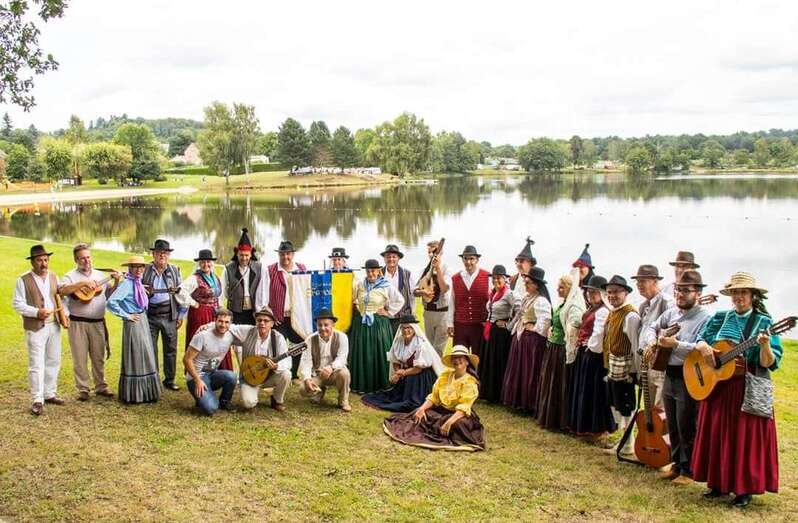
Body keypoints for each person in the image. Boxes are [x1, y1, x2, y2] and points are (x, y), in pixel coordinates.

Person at [690, 272, 782, 508]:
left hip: (746, 387)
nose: (739, 297)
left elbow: (769, 363)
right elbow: (700, 338)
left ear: (752, 295)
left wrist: (763, 346)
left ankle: (744, 488)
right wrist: (704, 349)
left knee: (743, 437)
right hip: (718, 386)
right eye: (735, 292)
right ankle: (718, 483)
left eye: (743, 292)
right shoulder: (721, 317)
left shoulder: (763, 322)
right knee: (717, 434)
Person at [642, 270, 711, 486]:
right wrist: (653, 341)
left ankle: (689, 470)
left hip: (690, 376)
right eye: (678, 289)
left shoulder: (705, 318)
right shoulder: (671, 313)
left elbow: (701, 348)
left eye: (685, 290)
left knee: (687, 424)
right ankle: (676, 464)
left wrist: (676, 345)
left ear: (697, 293)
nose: (680, 294)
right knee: (672, 422)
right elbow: (652, 327)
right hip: (669, 373)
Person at [383, 345, 485, 451]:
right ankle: (439, 429)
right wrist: (422, 409)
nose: (457, 360)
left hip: (458, 415)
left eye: (461, 358)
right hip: (442, 411)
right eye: (454, 358)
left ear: (467, 362)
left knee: (459, 424)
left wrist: (449, 422)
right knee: (420, 414)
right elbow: (434, 397)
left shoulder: (470, 382)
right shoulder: (445, 376)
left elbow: (464, 406)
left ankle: (444, 429)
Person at [58, 243, 121, 401]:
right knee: (80, 357)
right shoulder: (69, 276)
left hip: (98, 322)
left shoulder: (100, 276)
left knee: (98, 356)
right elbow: (62, 291)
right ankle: (83, 389)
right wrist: (82, 284)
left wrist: (117, 282)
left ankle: (101, 386)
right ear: (75, 259)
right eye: (82, 258)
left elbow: (110, 294)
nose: (86, 261)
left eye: (88, 257)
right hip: (77, 322)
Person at [13, 244, 66, 415]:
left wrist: (65, 315)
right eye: (39, 260)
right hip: (35, 327)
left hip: (54, 325)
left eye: (45, 260)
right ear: (32, 262)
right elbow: (17, 304)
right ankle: (37, 399)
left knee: (54, 360)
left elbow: (59, 298)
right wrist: (36, 312)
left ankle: (49, 393)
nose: (43, 264)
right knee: (36, 364)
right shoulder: (23, 279)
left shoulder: (53, 276)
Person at [107, 256, 162, 404]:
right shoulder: (127, 284)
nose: (139, 270)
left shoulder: (137, 283)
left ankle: (147, 393)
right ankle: (136, 394)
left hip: (142, 320)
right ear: (130, 268)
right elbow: (111, 302)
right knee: (137, 354)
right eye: (135, 267)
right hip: (134, 322)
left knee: (146, 353)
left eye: (141, 267)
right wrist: (126, 315)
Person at [362, 314, 443, 412]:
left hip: (421, 376)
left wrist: (401, 373)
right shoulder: (399, 341)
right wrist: (398, 372)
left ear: (414, 329)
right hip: (407, 373)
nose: (406, 330)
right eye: (403, 328)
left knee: (412, 399)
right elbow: (395, 360)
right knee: (398, 392)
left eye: (409, 328)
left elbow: (418, 368)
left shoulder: (421, 345)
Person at [569, 275, 615, 437]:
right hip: (586, 354)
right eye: (588, 292)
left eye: (594, 292)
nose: (590, 295)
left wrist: (589, 345)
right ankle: (587, 425)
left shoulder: (603, 311)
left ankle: (597, 427)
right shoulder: (592, 309)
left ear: (602, 293)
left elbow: (598, 335)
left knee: (593, 392)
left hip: (595, 356)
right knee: (585, 390)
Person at [349, 259, 405, 393]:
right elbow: (352, 299)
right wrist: (357, 306)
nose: (370, 273)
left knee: (378, 353)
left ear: (379, 271)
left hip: (379, 323)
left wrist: (388, 311)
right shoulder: (360, 284)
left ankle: (381, 384)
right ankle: (362, 384)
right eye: (368, 271)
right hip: (362, 323)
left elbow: (400, 300)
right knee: (363, 353)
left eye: (373, 270)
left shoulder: (386, 285)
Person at [538, 272, 584, 431]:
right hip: (553, 347)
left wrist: (568, 344)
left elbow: (574, 329)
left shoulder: (574, 306)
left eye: (561, 287)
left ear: (570, 289)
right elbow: (557, 321)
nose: (558, 290)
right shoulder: (563, 304)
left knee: (560, 384)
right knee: (551, 382)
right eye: (558, 286)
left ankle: (561, 420)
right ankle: (550, 417)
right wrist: (551, 328)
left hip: (562, 349)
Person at [501, 267, 552, 414]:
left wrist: (534, 328)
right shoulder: (527, 298)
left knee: (530, 371)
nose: (526, 285)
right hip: (521, 338)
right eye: (525, 282)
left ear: (537, 284)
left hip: (533, 342)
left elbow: (545, 321)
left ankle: (529, 403)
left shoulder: (541, 301)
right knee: (520, 369)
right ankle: (518, 401)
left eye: (528, 282)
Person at [601, 275, 641, 456]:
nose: (612, 296)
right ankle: (623, 440)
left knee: (627, 406)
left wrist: (635, 371)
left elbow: (635, 345)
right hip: (614, 367)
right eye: (609, 292)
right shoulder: (613, 312)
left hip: (626, 369)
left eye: (616, 292)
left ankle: (628, 444)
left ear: (625, 293)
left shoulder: (630, 315)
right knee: (617, 404)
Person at [142, 239, 186, 391]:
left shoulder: (175, 270)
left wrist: (180, 315)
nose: (162, 255)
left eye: (165, 253)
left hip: (169, 315)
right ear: (153, 254)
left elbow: (183, 295)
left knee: (170, 350)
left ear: (169, 255)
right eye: (159, 252)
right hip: (150, 316)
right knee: (150, 349)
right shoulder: (145, 269)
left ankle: (169, 380)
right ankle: (153, 379)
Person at [228, 306, 292, 411]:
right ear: (256, 321)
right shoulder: (248, 331)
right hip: (250, 376)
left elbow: (287, 362)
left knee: (286, 374)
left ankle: (277, 400)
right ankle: (252, 395)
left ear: (272, 324)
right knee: (248, 404)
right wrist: (208, 326)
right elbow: (229, 326)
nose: (262, 323)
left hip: (268, 376)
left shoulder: (278, 337)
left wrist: (276, 366)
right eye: (259, 320)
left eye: (266, 321)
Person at [631, 264, 674, 409]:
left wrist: (655, 343)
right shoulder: (644, 306)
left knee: (659, 409)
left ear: (655, 281)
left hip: (659, 363)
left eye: (643, 281)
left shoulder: (667, 302)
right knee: (648, 407)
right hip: (646, 362)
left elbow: (674, 329)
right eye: (638, 281)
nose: (639, 285)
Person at [264, 240, 307, 379]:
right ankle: (277, 374)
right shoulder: (270, 270)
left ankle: (293, 375)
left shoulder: (301, 269)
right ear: (279, 255)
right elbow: (263, 293)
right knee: (277, 346)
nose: (285, 257)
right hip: (278, 317)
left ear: (293, 254)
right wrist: (270, 315)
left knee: (298, 345)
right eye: (282, 254)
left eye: (288, 254)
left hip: (296, 316)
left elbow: (307, 291)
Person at [183, 309, 238, 415]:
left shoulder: (230, 335)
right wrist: (198, 380)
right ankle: (203, 398)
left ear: (230, 324)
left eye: (227, 322)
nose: (223, 325)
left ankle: (224, 402)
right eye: (220, 321)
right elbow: (186, 359)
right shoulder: (202, 336)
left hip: (210, 372)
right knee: (211, 408)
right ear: (215, 321)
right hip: (195, 378)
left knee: (231, 376)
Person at [178, 248, 226, 364]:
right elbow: (180, 291)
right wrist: (194, 303)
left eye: (208, 262)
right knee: (200, 342)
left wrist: (220, 308)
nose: (206, 264)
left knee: (215, 342)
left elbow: (219, 296)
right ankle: (195, 372)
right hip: (200, 314)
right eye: (203, 262)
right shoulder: (195, 278)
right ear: (199, 264)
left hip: (214, 314)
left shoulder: (215, 277)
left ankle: (214, 371)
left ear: (212, 263)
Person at [298, 309, 352, 412]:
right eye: (319, 325)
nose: (323, 328)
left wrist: (331, 367)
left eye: (326, 325)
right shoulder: (309, 340)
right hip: (317, 374)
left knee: (345, 374)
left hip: (335, 372)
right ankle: (319, 391)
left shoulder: (342, 337)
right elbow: (306, 362)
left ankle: (343, 400)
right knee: (303, 390)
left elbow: (342, 358)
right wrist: (307, 379)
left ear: (333, 325)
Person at [478, 265, 516, 402]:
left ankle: (497, 394)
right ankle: (487, 392)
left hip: (501, 333)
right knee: (489, 361)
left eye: (498, 278)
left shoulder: (509, 294)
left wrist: (508, 324)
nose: (495, 281)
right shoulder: (493, 293)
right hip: (490, 330)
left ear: (505, 279)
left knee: (498, 362)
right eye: (493, 278)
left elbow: (519, 309)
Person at [446, 245, 490, 357]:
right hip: (460, 325)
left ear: (477, 260)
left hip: (479, 325)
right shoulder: (456, 278)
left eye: (471, 259)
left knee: (478, 358)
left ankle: (477, 375)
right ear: (462, 259)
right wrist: (450, 323)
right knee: (459, 357)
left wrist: (488, 321)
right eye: (465, 258)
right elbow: (452, 302)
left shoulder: (487, 276)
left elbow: (491, 302)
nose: (468, 262)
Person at [220, 227, 267, 328]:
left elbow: (263, 290)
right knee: (235, 339)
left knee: (252, 339)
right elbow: (222, 291)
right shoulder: (228, 269)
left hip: (253, 312)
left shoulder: (260, 268)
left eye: (246, 255)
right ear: (237, 254)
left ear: (251, 254)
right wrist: (220, 308)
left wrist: (260, 310)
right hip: (234, 311)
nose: (244, 258)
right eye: (241, 255)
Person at [414, 239, 452, 355]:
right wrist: (422, 293)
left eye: (434, 252)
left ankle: (437, 372)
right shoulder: (424, 270)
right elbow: (415, 291)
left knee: (438, 349)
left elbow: (445, 289)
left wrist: (438, 268)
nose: (431, 254)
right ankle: (430, 372)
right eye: (429, 252)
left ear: (441, 252)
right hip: (428, 313)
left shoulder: (446, 269)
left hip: (442, 313)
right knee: (429, 347)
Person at [381, 244, 416, 331]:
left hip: (402, 317)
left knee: (401, 342)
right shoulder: (378, 274)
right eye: (388, 257)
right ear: (384, 258)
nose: (391, 259)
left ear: (398, 258)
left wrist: (413, 313)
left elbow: (412, 295)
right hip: (384, 317)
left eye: (394, 257)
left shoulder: (407, 274)